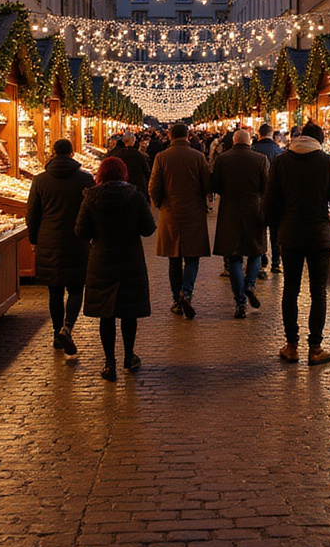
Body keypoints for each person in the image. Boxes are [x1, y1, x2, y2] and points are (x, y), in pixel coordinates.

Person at [264, 121, 330, 365]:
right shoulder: (326, 162)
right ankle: (315, 348)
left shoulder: (281, 162)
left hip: (290, 234)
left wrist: (274, 226)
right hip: (318, 235)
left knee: (290, 290)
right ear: (320, 140)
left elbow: (270, 200)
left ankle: (291, 346)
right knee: (318, 291)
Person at [74, 156, 157, 381]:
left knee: (106, 313)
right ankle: (129, 357)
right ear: (124, 174)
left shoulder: (90, 198)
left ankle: (109, 362)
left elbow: (81, 231)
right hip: (130, 259)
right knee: (129, 312)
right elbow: (149, 228)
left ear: (101, 174)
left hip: (102, 259)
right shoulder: (135, 197)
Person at [25, 138, 95, 356]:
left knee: (54, 290)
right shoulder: (85, 179)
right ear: (72, 154)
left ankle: (57, 332)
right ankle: (68, 327)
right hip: (77, 240)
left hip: (49, 240)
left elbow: (32, 214)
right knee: (76, 288)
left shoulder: (40, 180)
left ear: (53, 153)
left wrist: (34, 240)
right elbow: (93, 211)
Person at [149, 121, 211, 319]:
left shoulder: (162, 157)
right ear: (188, 135)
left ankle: (177, 299)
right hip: (194, 213)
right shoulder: (198, 157)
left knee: (173, 259)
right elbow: (207, 185)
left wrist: (160, 205)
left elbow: (153, 187)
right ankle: (187, 291)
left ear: (170, 136)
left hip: (171, 213)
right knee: (193, 257)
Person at [211, 129, 269, 318]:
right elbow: (266, 187)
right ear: (249, 141)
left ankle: (240, 303)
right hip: (254, 209)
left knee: (234, 257)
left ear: (234, 141)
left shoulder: (223, 159)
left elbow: (216, 186)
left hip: (230, 211)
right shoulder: (260, 159)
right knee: (256, 251)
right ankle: (250, 284)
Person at [252, 123, 283, 274]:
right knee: (276, 232)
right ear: (272, 134)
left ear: (259, 134)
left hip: (257, 199)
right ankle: (276, 262)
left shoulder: (253, 151)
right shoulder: (280, 152)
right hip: (277, 199)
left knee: (259, 230)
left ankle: (262, 258)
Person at [111, 130, 151, 199]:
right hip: (138, 187)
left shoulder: (118, 155)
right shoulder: (139, 155)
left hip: (123, 186)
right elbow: (146, 172)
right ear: (133, 141)